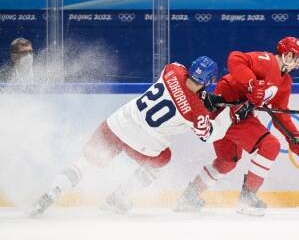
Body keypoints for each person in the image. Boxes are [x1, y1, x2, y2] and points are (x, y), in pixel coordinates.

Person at [30, 56, 251, 216]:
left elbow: (183, 88)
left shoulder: (171, 70)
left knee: (87, 161)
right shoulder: (197, 112)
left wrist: (203, 96)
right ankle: (120, 195)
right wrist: (232, 114)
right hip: (143, 144)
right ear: (211, 80)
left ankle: (52, 192)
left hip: (117, 124)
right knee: (163, 159)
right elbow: (209, 134)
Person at [175, 37, 299, 216]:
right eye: (297, 60)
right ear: (288, 55)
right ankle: (247, 199)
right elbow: (235, 58)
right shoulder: (266, 61)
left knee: (226, 162)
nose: (297, 65)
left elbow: (279, 112)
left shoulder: (285, 83)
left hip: (237, 115)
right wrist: (252, 83)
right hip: (226, 111)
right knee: (270, 145)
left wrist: (294, 136)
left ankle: (188, 197)